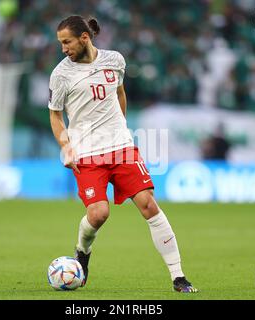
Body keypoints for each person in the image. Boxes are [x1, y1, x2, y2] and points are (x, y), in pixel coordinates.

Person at [48, 15, 198, 293]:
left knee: (148, 204)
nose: (63, 48)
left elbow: (120, 94)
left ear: (84, 38)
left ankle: (178, 277)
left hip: (121, 148)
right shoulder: (61, 74)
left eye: (67, 42)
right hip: (87, 153)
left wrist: (121, 129)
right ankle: (82, 251)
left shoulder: (115, 60)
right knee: (99, 213)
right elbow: (56, 116)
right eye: (60, 43)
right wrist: (65, 146)